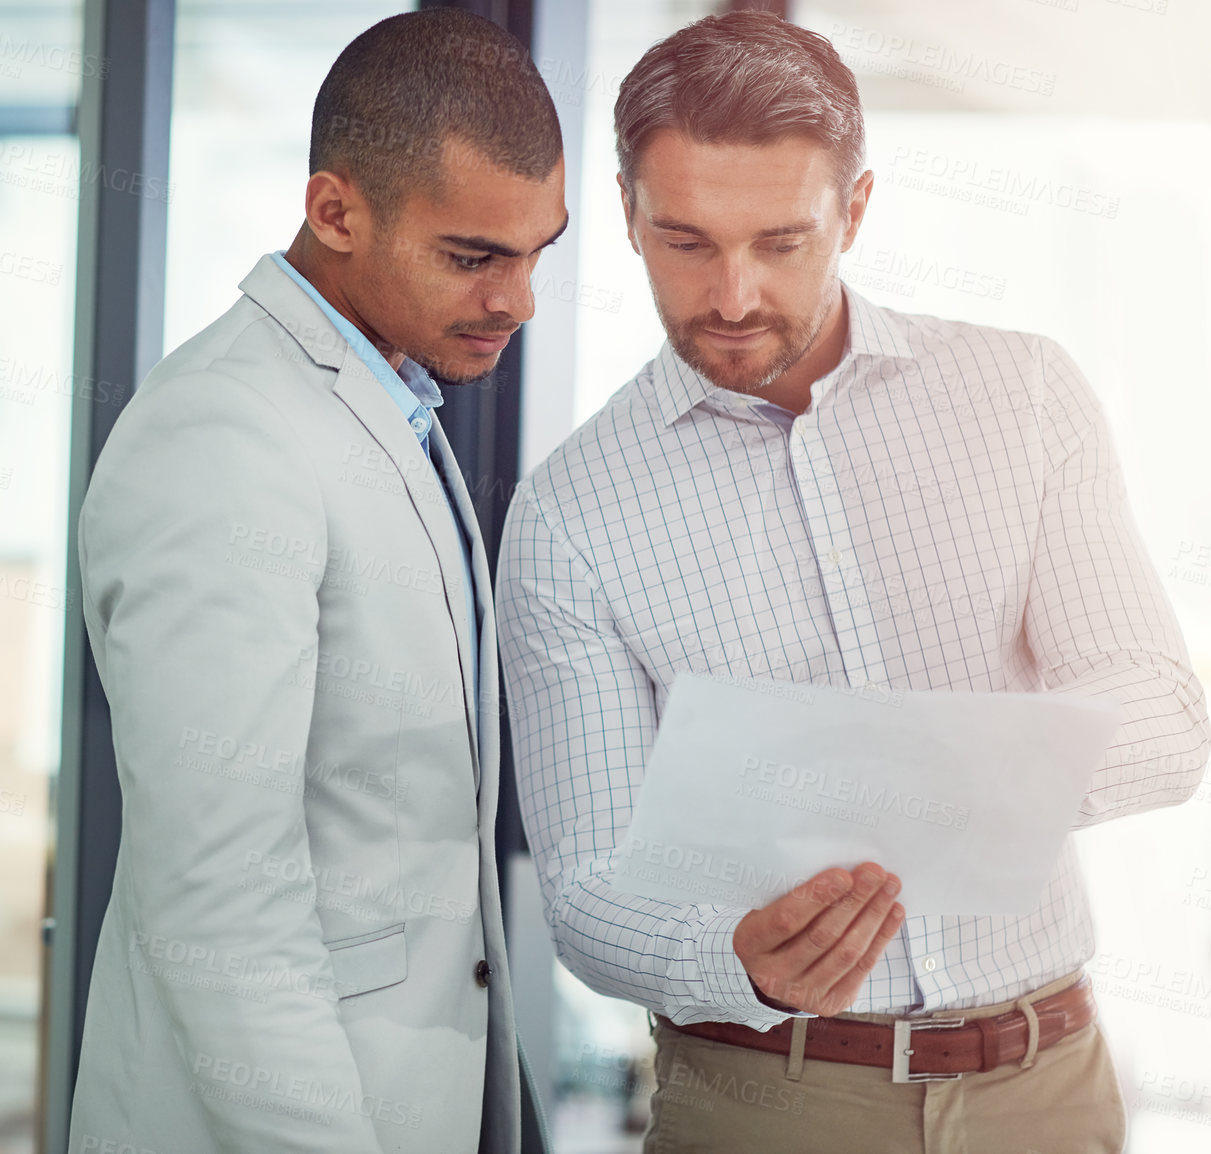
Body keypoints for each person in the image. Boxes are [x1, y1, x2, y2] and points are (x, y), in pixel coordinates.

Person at [496, 11, 1208, 1153]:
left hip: (1047, 1090)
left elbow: (1167, 720)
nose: (730, 294)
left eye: (781, 240)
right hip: (765, 1099)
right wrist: (729, 956)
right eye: (685, 240)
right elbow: (586, 885)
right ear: (626, 214)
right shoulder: (572, 513)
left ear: (857, 211)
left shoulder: (1024, 395)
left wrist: (915, 786)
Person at [67, 10, 567, 1153]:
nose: (519, 300)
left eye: (538, 250)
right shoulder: (225, 435)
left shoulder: (388, 395)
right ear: (334, 210)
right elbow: (221, 900)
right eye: (474, 256)